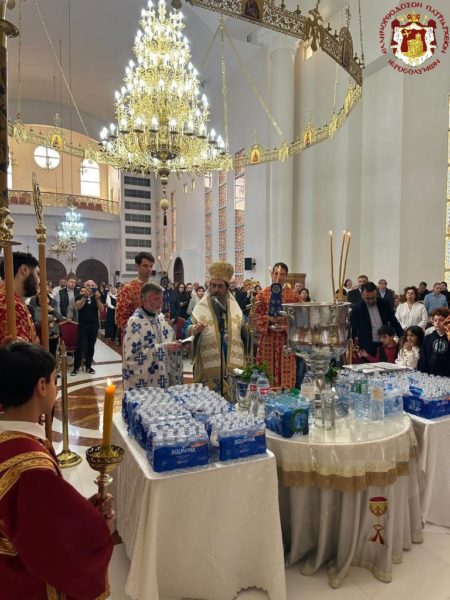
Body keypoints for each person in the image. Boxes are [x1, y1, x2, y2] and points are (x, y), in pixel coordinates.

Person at [0, 342, 114, 599]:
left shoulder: (11, 439)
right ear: (41, 387)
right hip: (22, 583)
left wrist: (79, 509)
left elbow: (32, 514)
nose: (55, 388)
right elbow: (54, 547)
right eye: (55, 380)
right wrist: (98, 527)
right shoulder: (31, 466)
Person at [187, 261, 246, 390]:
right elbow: (186, 329)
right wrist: (194, 329)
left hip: (231, 370)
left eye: (220, 286)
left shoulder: (235, 309)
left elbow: (246, 332)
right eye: (213, 285)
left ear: (227, 288)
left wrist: (249, 328)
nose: (216, 290)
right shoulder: (200, 308)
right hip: (208, 371)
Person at [122, 283, 183, 391]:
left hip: (164, 377)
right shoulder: (135, 323)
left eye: (161, 298)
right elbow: (131, 358)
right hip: (146, 386)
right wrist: (163, 348)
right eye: (156, 299)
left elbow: (170, 338)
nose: (161, 303)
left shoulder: (160, 317)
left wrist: (176, 344)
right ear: (144, 301)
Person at [256, 262, 300, 388]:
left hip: (286, 340)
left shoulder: (294, 296)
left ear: (286, 276)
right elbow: (254, 318)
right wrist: (268, 319)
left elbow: (301, 318)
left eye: (282, 274)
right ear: (271, 275)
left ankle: (286, 397)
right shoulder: (262, 294)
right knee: (266, 373)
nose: (279, 277)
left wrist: (286, 327)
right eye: (276, 273)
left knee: (287, 374)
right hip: (267, 339)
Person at [350, 282, 404, 358]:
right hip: (367, 345)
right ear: (362, 295)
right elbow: (353, 328)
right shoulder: (357, 308)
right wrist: (351, 345)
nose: (371, 301)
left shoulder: (384, 303)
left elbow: (393, 321)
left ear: (376, 293)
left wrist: (401, 336)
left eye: (373, 298)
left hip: (385, 344)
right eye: (368, 298)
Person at [0, 251, 39, 345]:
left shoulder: (11, 298)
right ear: (24, 270)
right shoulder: (10, 303)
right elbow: (20, 352)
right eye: (37, 274)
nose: (39, 281)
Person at [116, 251, 155, 331]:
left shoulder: (155, 287)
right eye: (145, 266)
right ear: (137, 266)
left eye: (151, 266)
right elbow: (120, 318)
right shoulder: (128, 288)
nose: (149, 269)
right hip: (135, 333)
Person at [71, 280, 104, 375]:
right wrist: (85, 296)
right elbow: (78, 307)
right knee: (80, 346)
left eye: (93, 285)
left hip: (94, 326)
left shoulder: (96, 297)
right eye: (88, 285)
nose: (90, 287)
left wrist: (98, 299)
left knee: (91, 347)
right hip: (83, 326)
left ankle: (88, 366)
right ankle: (76, 367)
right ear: (85, 287)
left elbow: (101, 309)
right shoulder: (80, 296)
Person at [29, 288, 65, 356]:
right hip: (43, 335)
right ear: (38, 302)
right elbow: (39, 320)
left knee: (53, 353)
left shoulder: (53, 308)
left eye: (45, 298)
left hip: (54, 335)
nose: (43, 300)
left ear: (49, 299)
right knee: (44, 354)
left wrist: (53, 310)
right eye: (40, 299)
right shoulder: (38, 309)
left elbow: (61, 318)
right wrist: (53, 318)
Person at [418, 308, 450, 376]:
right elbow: (423, 358)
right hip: (430, 374)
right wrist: (422, 373)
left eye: (441, 320)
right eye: (435, 320)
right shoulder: (428, 338)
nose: (437, 323)